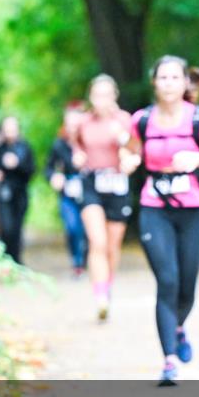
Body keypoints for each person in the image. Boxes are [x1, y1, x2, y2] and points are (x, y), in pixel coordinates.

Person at [122, 55, 199, 385]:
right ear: (154, 83)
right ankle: (169, 360)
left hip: (191, 211)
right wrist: (128, 161)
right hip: (154, 208)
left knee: (187, 287)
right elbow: (130, 151)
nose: (168, 83)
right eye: (163, 78)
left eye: (174, 78)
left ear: (184, 83)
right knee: (167, 280)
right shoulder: (142, 120)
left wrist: (196, 157)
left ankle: (179, 327)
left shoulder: (198, 119)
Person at [73, 75, 134, 321]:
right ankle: (100, 296)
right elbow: (77, 147)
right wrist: (78, 156)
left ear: (114, 96)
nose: (102, 100)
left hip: (117, 183)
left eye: (107, 95)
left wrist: (126, 150)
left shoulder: (124, 120)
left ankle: (107, 286)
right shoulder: (83, 122)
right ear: (91, 97)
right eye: (97, 95)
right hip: (92, 183)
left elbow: (135, 149)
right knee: (97, 241)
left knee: (112, 245)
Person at [45, 102, 88, 277]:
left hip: (89, 190)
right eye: (69, 124)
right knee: (72, 228)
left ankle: (85, 261)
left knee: (87, 229)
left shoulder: (89, 142)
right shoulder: (59, 144)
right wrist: (54, 177)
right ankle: (76, 262)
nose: (72, 129)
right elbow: (48, 168)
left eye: (76, 125)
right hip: (67, 193)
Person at [0, 116, 36, 264]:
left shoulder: (25, 147)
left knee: (17, 228)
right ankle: (7, 257)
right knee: (6, 226)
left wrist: (17, 164)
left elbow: (31, 170)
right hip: (3, 193)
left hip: (20, 193)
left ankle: (16, 259)